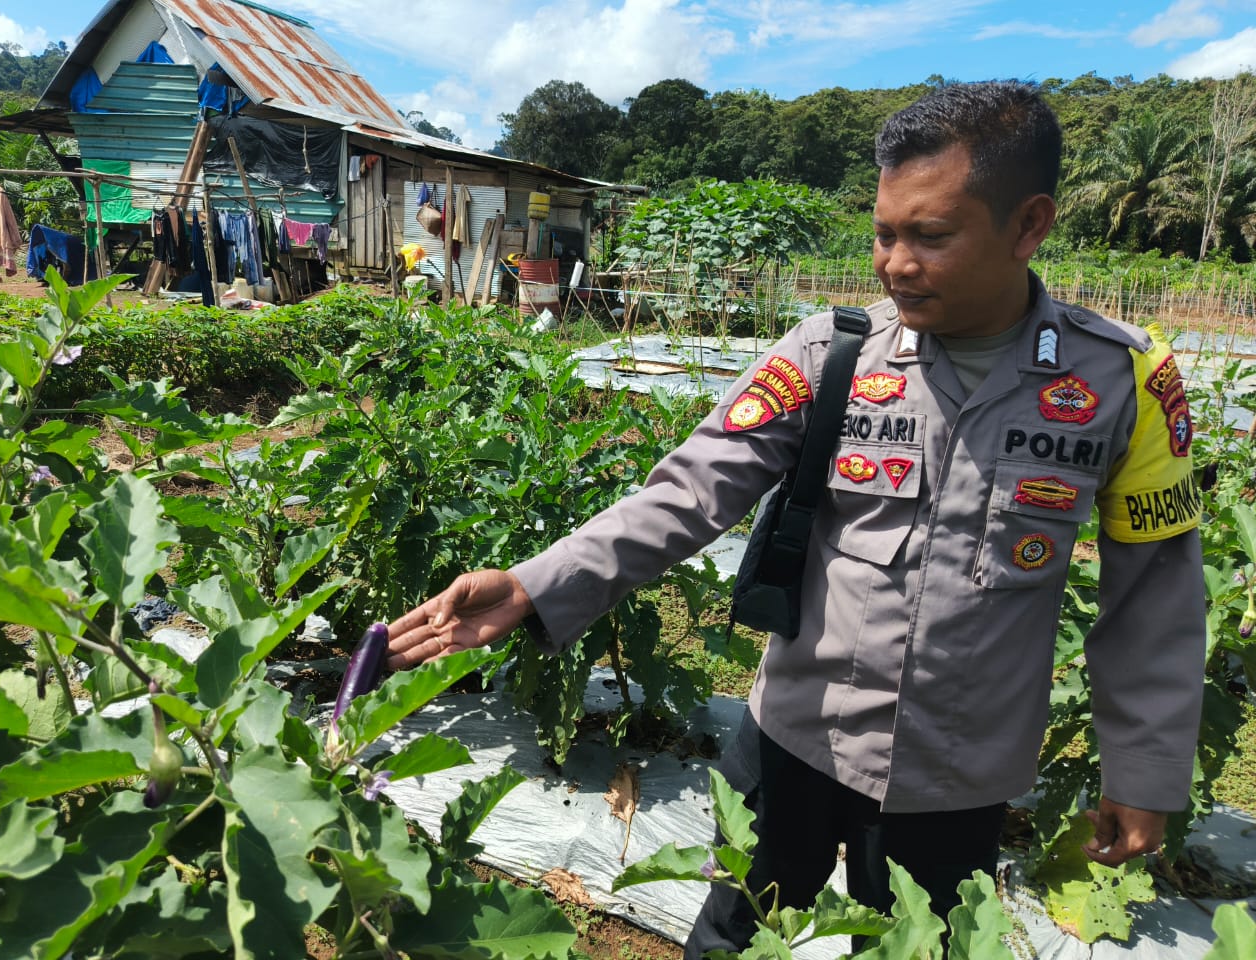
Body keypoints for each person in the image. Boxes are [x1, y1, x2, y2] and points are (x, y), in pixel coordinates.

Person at [385, 80, 1204, 954]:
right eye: (884, 233)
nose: (894, 263)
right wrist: (534, 583)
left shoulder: (1124, 384)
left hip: (956, 780)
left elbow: (1155, 595)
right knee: (731, 936)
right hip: (794, 747)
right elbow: (690, 490)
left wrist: (1145, 771)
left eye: (930, 236)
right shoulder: (832, 352)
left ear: (1028, 225)